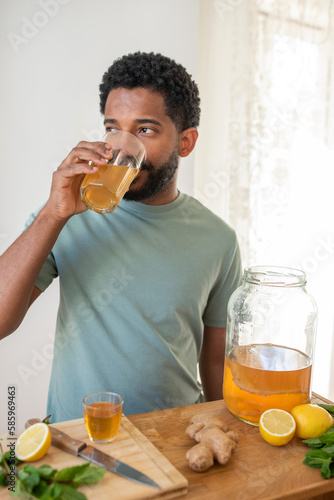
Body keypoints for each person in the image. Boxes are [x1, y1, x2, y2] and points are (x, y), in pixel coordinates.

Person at [0, 52, 242, 423]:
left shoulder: (219, 240)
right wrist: (53, 214)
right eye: (113, 128)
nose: (122, 145)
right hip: (82, 440)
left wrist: (224, 431)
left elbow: (213, 359)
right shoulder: (65, 214)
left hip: (177, 438)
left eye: (144, 130)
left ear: (186, 142)